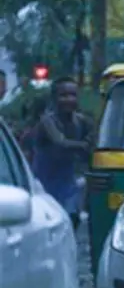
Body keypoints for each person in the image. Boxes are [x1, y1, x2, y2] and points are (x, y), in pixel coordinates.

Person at [31, 77, 94, 229]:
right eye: (63, 95)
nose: (69, 99)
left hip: (68, 182)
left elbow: (95, 134)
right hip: (45, 183)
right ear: (54, 98)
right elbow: (60, 142)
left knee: (72, 220)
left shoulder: (81, 121)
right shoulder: (47, 121)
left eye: (73, 95)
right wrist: (84, 145)